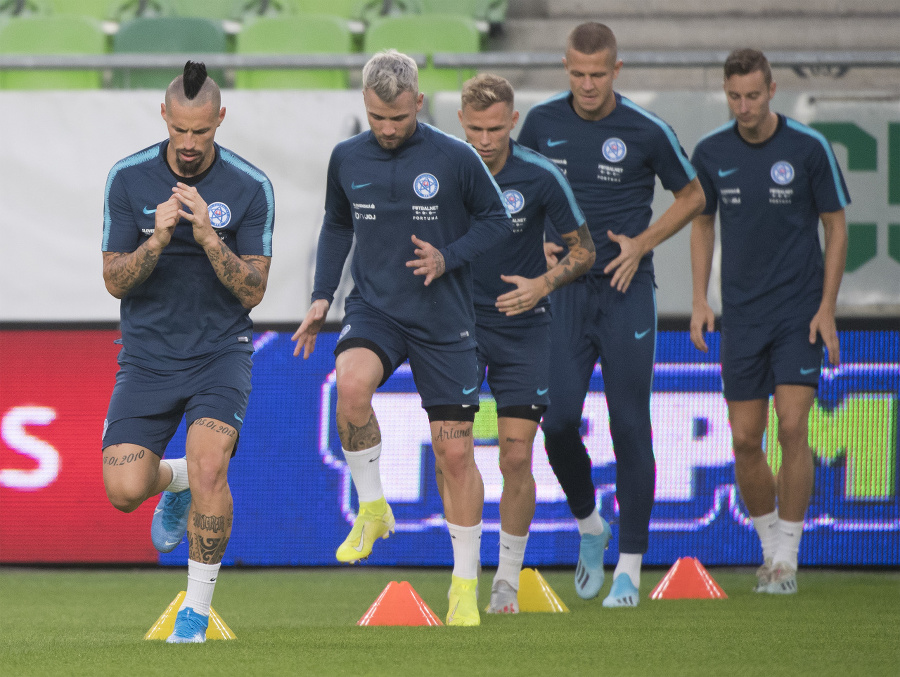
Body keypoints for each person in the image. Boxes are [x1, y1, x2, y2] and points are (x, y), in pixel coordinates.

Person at [292, 50, 514, 627]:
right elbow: (337, 223)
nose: (387, 130)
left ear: (418, 102)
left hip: (444, 320)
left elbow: (497, 220)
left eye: (397, 117)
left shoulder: (455, 157)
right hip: (376, 309)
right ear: (365, 107)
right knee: (351, 387)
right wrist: (322, 295)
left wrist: (450, 256)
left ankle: (464, 587)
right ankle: (372, 508)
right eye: (376, 118)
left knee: (456, 453)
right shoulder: (347, 157)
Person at [516, 22, 706, 607]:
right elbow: (516, 194)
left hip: (626, 291)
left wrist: (643, 243)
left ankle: (629, 567)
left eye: (598, 74)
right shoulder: (542, 123)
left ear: (617, 71)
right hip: (566, 293)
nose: (588, 84)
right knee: (558, 422)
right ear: (565, 68)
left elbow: (695, 195)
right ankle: (589, 525)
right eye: (577, 73)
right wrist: (536, 242)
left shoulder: (645, 129)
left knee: (629, 424)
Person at [101, 61, 274, 643]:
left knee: (212, 467)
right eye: (181, 131)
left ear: (220, 119)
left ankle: (195, 614)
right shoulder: (127, 179)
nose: (191, 144)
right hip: (147, 356)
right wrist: (157, 239)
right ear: (165, 118)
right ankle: (171, 480)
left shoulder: (250, 187)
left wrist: (207, 238)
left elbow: (254, 289)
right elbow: (114, 281)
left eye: (202, 131)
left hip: (219, 354)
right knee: (123, 491)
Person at [690, 48, 849, 594]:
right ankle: (767, 549)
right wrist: (699, 299)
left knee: (792, 427)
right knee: (743, 439)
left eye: (752, 95)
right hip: (742, 317)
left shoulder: (808, 148)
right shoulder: (711, 151)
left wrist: (827, 307)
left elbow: (836, 226)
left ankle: (788, 556)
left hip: (798, 312)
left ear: (772, 89)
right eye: (734, 96)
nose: (744, 105)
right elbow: (702, 225)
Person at [454, 73, 595, 613]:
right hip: (459, 329)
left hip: (523, 328)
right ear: (461, 124)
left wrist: (543, 283)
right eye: (474, 130)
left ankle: (506, 581)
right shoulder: (445, 171)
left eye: (494, 128)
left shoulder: (539, 176)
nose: (485, 140)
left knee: (516, 456)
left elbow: (583, 252)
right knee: (456, 454)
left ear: (513, 121)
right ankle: (464, 576)